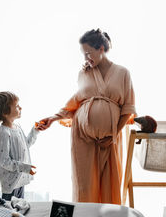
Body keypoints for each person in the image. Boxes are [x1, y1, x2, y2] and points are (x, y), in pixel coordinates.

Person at [37, 29, 136, 204]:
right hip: (82, 137)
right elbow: (77, 100)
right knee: (84, 185)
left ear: (101, 49)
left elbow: (127, 108)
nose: (86, 58)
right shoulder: (83, 73)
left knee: (110, 185)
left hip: (110, 138)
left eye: (88, 53)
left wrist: (113, 136)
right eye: (83, 54)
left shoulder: (123, 73)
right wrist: (53, 118)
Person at [0, 91, 41, 201]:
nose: (21, 108)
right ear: (5, 112)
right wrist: (25, 168)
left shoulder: (17, 127)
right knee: (9, 210)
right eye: (17, 106)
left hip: (20, 179)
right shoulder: (4, 132)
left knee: (19, 208)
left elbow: (25, 145)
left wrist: (35, 131)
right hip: (11, 183)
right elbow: (4, 161)